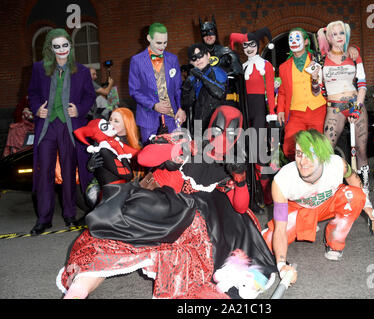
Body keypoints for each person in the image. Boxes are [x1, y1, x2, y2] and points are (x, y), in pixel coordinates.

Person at [57, 106, 276, 299]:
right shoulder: (187, 142)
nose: (222, 140)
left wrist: (240, 180)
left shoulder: (228, 165)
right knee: (110, 246)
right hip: (154, 210)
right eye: (218, 131)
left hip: (187, 233)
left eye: (230, 134)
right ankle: (77, 293)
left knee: (214, 233)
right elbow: (144, 158)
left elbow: (239, 207)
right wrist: (178, 150)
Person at [262, 129, 374, 283]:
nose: (303, 162)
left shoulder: (337, 164)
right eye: (299, 153)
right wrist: (281, 266)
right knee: (266, 246)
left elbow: (354, 179)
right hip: (299, 210)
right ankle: (273, 232)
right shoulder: (282, 180)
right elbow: (280, 228)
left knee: (356, 196)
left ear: (322, 155)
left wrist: (367, 205)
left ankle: (334, 241)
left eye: (310, 154)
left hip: (327, 205)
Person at [27, 28, 96, 235]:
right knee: (44, 172)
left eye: (65, 45)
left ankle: (69, 214)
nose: (61, 50)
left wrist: (80, 109)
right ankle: (44, 218)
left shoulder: (82, 71)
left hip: (69, 126)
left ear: (70, 46)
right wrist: (37, 107)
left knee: (68, 170)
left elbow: (89, 96)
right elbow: (32, 93)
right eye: (56, 46)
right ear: (50, 48)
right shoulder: (39, 68)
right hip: (47, 126)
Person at [317, 21, 370, 193]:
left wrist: (357, 107)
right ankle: (332, 190)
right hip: (334, 108)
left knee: (361, 151)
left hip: (356, 104)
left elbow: (362, 84)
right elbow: (317, 90)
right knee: (327, 151)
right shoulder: (321, 59)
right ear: (329, 38)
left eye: (341, 33)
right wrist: (313, 80)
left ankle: (365, 191)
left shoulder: (354, 55)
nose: (339, 37)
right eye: (334, 34)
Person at [229, 27, 276, 206]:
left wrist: (271, 114)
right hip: (244, 112)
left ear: (258, 45)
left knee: (261, 153)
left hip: (260, 112)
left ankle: (266, 192)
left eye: (252, 45)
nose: (249, 48)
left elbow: (270, 92)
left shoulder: (266, 66)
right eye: (245, 45)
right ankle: (252, 191)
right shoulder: (241, 68)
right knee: (247, 152)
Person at [129, 22, 186, 145]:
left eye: (165, 42)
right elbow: (134, 91)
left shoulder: (173, 59)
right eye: (159, 43)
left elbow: (178, 88)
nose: (163, 46)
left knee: (174, 157)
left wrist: (181, 108)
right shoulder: (136, 61)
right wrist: (154, 105)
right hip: (148, 119)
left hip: (172, 118)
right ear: (149, 38)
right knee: (151, 159)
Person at [276, 28, 327, 161]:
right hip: (295, 113)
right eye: (290, 40)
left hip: (317, 109)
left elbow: (334, 53)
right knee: (289, 146)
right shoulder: (283, 67)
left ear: (305, 42)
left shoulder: (317, 59)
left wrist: (353, 49)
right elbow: (282, 91)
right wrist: (280, 110)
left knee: (318, 145)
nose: (293, 42)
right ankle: (299, 173)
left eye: (297, 39)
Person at [78, 107, 142, 209]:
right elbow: (99, 172)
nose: (111, 123)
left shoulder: (135, 144)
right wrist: (90, 166)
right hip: (107, 189)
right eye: (110, 119)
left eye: (116, 121)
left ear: (126, 124)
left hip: (131, 187)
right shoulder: (103, 141)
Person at [181, 43, 227, 133]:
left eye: (200, 55)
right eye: (194, 58)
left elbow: (220, 93)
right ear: (191, 62)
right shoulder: (194, 78)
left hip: (216, 124)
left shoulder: (217, 71)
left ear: (208, 55)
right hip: (198, 125)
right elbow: (187, 104)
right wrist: (186, 88)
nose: (198, 59)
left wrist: (201, 76)